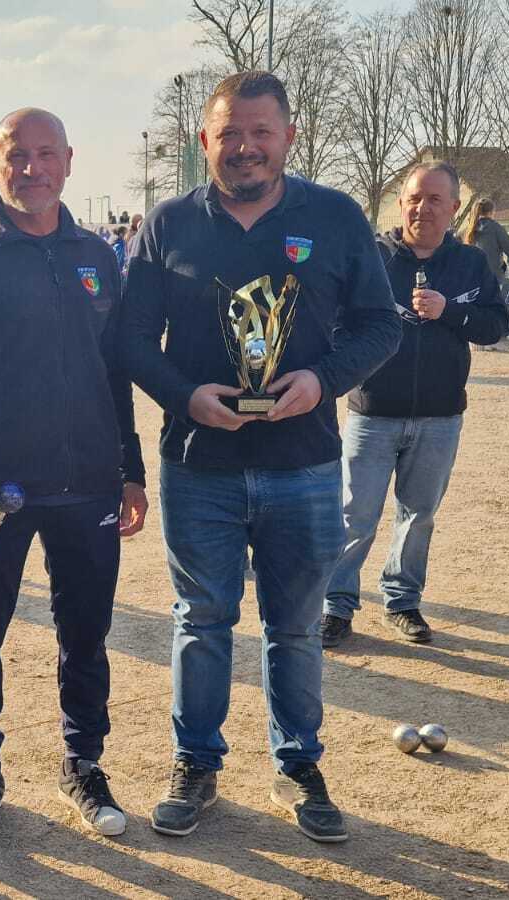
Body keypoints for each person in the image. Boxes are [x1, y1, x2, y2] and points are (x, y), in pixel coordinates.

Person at [120, 71, 399, 843]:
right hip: (197, 464)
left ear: (288, 137)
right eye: (229, 133)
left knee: (297, 627)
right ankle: (195, 763)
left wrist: (322, 381)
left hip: (303, 463)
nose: (245, 147)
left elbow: (381, 326)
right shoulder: (169, 223)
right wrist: (185, 396)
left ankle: (299, 765)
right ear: (204, 141)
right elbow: (131, 339)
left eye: (261, 132)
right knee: (202, 619)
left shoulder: (336, 217)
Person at [0, 108, 148, 845]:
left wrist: (131, 468)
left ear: (69, 161)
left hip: (88, 486)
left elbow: (114, 371)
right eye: (17, 155)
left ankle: (84, 762)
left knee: (87, 634)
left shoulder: (97, 256)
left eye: (47, 155)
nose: (32, 169)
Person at [319, 162, 508, 649]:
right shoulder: (372, 257)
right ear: (401, 203)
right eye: (415, 198)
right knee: (354, 515)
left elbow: (495, 325)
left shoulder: (470, 263)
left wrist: (451, 311)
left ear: (454, 208)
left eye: (435, 200)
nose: (423, 208)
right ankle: (335, 605)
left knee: (418, 515)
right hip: (373, 411)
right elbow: (336, 323)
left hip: (440, 416)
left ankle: (402, 600)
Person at [460, 197, 509, 294]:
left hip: (472, 277)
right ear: (491, 212)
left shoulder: (468, 230)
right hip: (493, 277)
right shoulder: (495, 228)